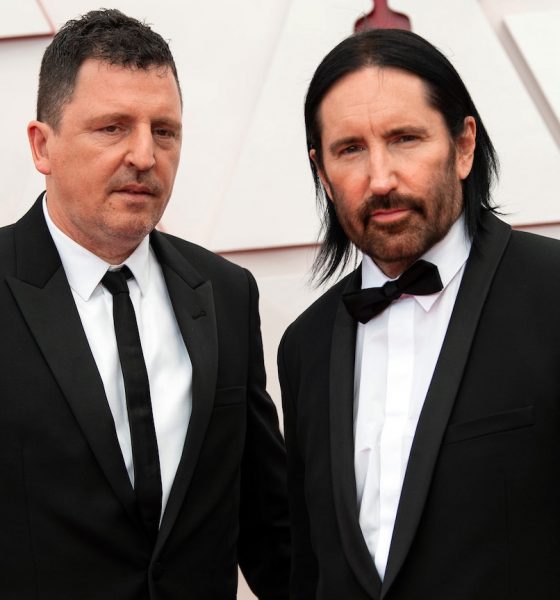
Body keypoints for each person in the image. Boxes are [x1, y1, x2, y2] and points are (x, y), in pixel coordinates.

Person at [0, 8, 289, 599]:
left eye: (164, 130)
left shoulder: (227, 294)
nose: (144, 155)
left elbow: (269, 527)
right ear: (41, 145)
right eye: (112, 127)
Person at [278, 27, 560, 600]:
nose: (380, 178)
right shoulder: (303, 347)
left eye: (405, 138)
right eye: (350, 149)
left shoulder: (552, 291)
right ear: (323, 173)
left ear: (463, 147)